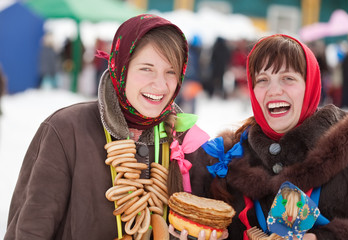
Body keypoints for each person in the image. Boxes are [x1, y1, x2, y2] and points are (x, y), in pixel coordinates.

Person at [5, 14, 212, 240]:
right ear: (121, 66)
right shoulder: (65, 130)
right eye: (146, 69)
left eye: (170, 71)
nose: (161, 85)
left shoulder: (188, 142)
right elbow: (29, 231)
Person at [183, 34, 348, 239]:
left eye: (287, 78)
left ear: (310, 86)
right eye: (263, 80)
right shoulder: (228, 160)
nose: (274, 90)